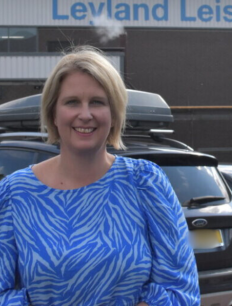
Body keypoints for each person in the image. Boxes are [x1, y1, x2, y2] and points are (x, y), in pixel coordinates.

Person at [0, 46, 200, 306]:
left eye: (97, 102)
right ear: (53, 113)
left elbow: (180, 289)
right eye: (72, 102)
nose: (85, 114)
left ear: (114, 114)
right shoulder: (16, 193)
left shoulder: (146, 183)